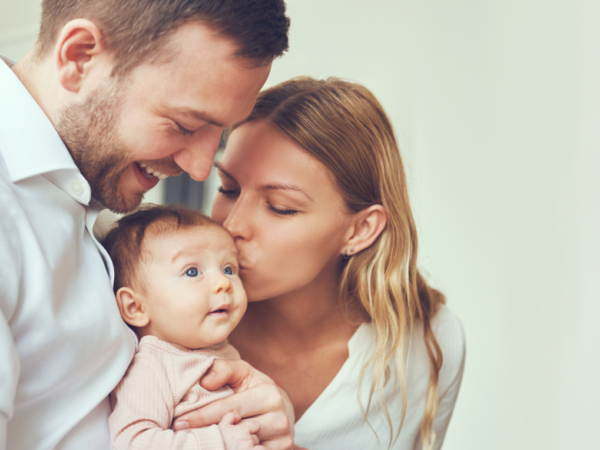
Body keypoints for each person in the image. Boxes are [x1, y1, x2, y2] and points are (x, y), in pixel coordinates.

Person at [0, 1, 292, 450]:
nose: (199, 169)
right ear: (79, 58)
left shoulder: (79, 191)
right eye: (185, 124)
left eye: (221, 134)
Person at [178, 77, 466, 449]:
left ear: (360, 230)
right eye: (227, 189)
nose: (231, 226)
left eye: (280, 207)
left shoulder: (429, 342)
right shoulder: (161, 312)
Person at [103, 205, 262, 450]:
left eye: (229, 269)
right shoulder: (153, 366)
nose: (223, 282)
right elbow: (130, 441)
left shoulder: (220, 351)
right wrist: (219, 442)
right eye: (192, 271)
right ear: (136, 307)